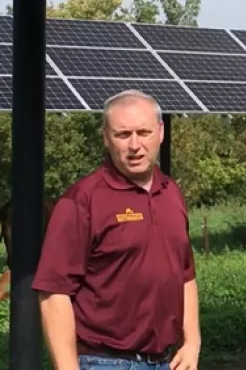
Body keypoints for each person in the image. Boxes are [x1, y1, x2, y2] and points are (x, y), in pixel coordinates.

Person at [32, 90, 201, 370]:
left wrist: (192, 341)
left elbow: (185, 275)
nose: (135, 145)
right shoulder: (82, 201)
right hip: (103, 361)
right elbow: (53, 294)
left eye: (143, 132)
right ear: (106, 138)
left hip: (166, 361)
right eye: (123, 135)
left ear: (160, 132)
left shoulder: (171, 193)